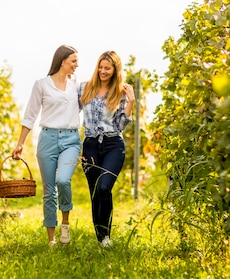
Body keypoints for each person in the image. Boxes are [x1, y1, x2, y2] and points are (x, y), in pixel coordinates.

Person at [12, 45, 81, 246]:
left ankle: (65, 225)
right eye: (73, 61)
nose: (77, 65)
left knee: (63, 181)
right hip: (48, 139)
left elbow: (97, 94)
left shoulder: (76, 84)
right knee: (49, 190)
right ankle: (51, 240)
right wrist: (20, 143)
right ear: (62, 61)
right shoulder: (41, 85)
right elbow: (30, 115)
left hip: (70, 139)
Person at [78, 50, 135, 247]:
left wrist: (131, 102)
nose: (103, 71)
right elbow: (69, 109)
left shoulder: (120, 92)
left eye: (107, 68)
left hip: (113, 145)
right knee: (94, 190)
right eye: (100, 67)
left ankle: (106, 236)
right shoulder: (84, 88)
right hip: (91, 144)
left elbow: (120, 126)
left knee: (104, 187)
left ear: (114, 70)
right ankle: (100, 236)